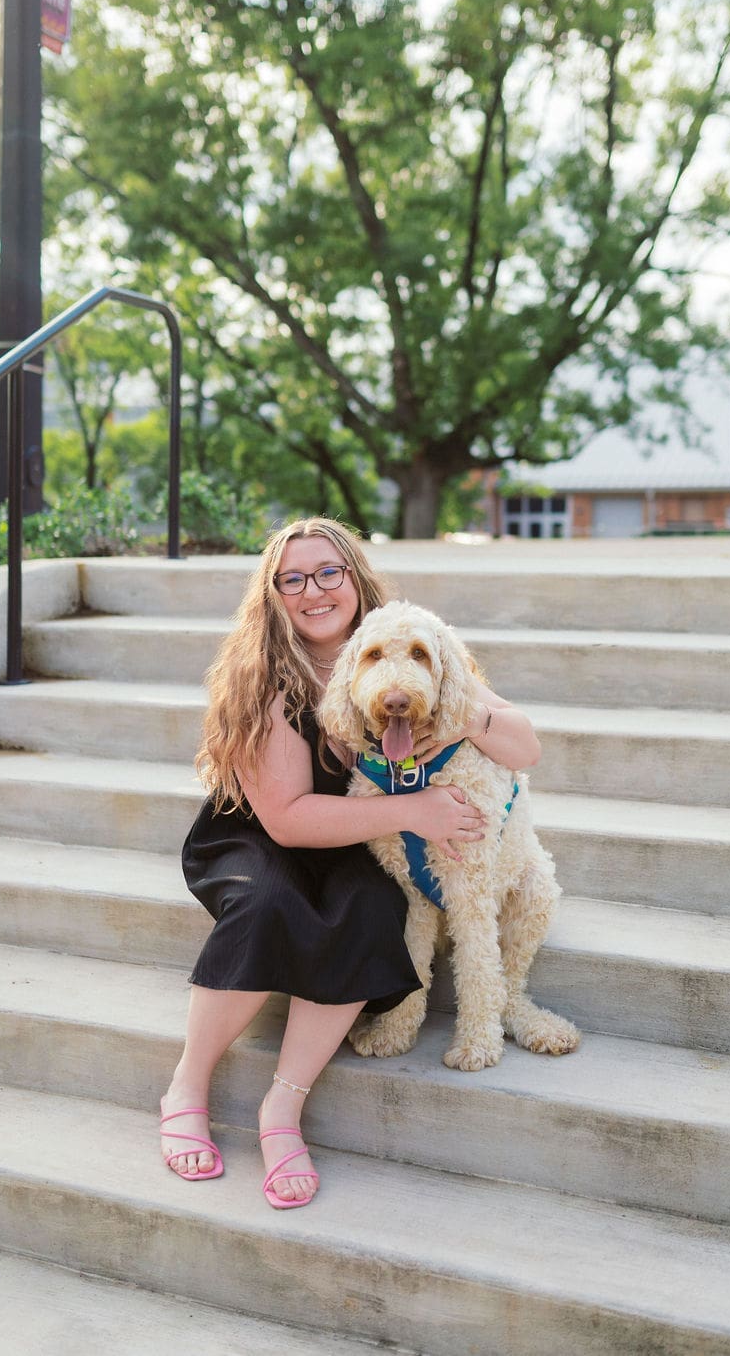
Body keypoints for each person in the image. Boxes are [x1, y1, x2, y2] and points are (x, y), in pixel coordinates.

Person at [160, 517, 535, 1209]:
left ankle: (282, 1108)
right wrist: (416, 809)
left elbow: (525, 745)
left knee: (373, 907)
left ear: (355, 579)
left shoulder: (404, 648)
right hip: (260, 838)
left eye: (329, 571)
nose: (314, 590)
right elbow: (289, 818)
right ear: (274, 593)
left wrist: (463, 713)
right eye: (294, 578)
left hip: (357, 835)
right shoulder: (263, 677)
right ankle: (188, 1081)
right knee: (270, 902)